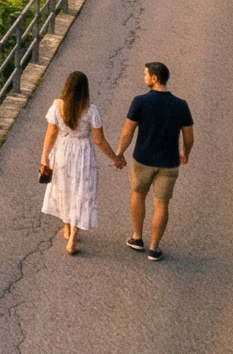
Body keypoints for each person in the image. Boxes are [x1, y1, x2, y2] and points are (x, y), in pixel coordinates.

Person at [39, 69, 123, 254]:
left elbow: (51, 135)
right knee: (81, 192)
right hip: (82, 153)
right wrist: (116, 158)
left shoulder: (57, 108)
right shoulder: (91, 110)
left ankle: (67, 226)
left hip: (62, 151)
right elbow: (99, 141)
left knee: (65, 188)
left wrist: (45, 157)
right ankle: (73, 238)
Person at [117, 61, 195, 261]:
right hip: (169, 163)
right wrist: (185, 152)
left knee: (138, 194)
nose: (143, 78)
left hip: (143, 159)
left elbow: (128, 132)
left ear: (154, 78)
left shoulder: (140, 101)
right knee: (162, 204)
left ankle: (137, 237)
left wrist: (119, 153)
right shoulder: (181, 105)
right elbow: (189, 136)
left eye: (145, 74)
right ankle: (154, 248)